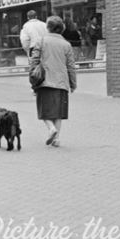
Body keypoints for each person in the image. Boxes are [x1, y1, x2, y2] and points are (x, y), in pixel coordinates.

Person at [30, 15, 77, 147]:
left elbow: (34, 62)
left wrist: (32, 81)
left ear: (48, 28)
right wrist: (73, 83)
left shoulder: (41, 41)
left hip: (44, 81)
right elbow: (71, 66)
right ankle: (56, 139)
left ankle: (51, 129)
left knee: (44, 110)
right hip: (62, 82)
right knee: (58, 112)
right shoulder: (66, 45)